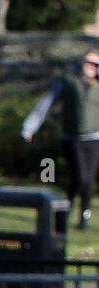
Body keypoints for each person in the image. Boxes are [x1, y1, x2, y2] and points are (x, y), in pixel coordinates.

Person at [23, 50, 99, 229]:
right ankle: (68, 208)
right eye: (88, 62)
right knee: (80, 177)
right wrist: (30, 127)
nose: (90, 67)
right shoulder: (68, 83)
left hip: (94, 138)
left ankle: (84, 216)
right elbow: (46, 104)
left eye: (95, 64)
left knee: (87, 179)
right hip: (72, 138)